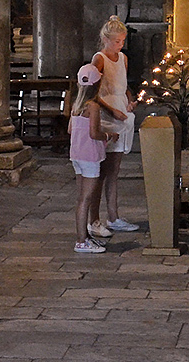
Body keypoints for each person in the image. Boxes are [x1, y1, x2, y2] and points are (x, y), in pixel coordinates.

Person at [89, 16, 140, 237]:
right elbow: (91, 93)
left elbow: (125, 86)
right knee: (100, 172)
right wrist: (112, 111)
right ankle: (94, 220)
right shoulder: (99, 59)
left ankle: (114, 216)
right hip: (107, 116)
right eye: (117, 41)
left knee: (114, 172)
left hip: (122, 116)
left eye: (122, 41)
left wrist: (130, 100)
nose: (121, 45)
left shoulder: (123, 59)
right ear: (106, 39)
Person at [69, 63, 109, 254]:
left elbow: (71, 130)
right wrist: (108, 136)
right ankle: (81, 241)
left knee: (81, 199)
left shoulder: (76, 106)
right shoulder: (93, 107)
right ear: (97, 85)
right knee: (87, 199)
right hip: (90, 157)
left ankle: (84, 236)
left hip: (76, 155)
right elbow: (94, 133)